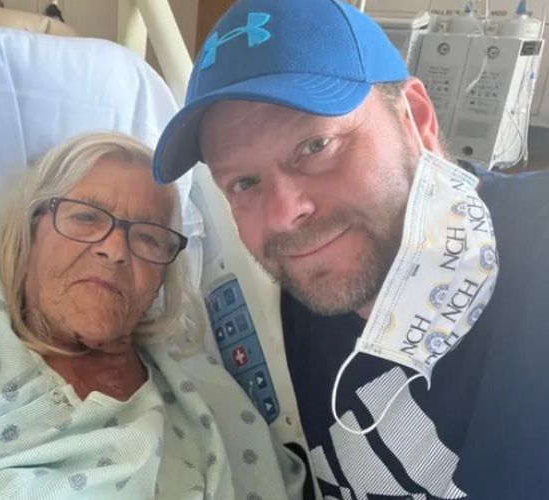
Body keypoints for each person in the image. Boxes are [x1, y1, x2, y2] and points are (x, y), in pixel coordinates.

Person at [152, 1, 549, 499]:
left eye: (316, 146)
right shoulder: (273, 316)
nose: (282, 214)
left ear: (417, 120)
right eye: (244, 182)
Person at [0, 132, 302, 499]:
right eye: (86, 217)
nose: (114, 250)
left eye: (147, 236)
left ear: (160, 276)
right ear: (33, 230)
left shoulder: (207, 405)